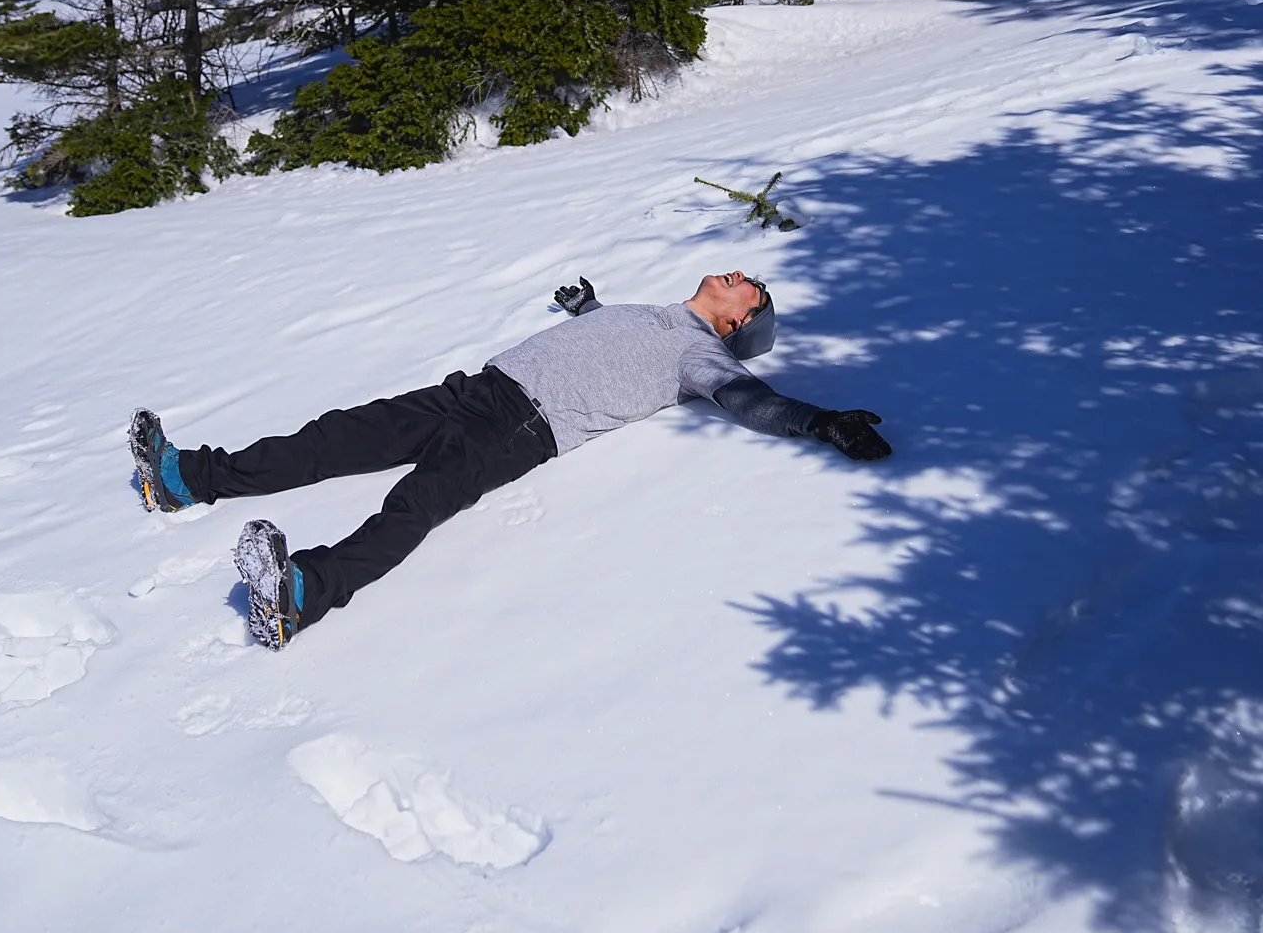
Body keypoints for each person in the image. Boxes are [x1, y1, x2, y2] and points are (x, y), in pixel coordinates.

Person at [128, 270, 891, 650]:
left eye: (749, 287)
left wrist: (823, 422)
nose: (737, 274)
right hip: (476, 388)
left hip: (523, 423)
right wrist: (586, 308)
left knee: (415, 505)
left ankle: (298, 595)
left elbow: (751, 402)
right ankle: (185, 477)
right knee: (332, 437)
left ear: (738, 323)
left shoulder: (703, 355)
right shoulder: (659, 313)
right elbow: (612, 339)